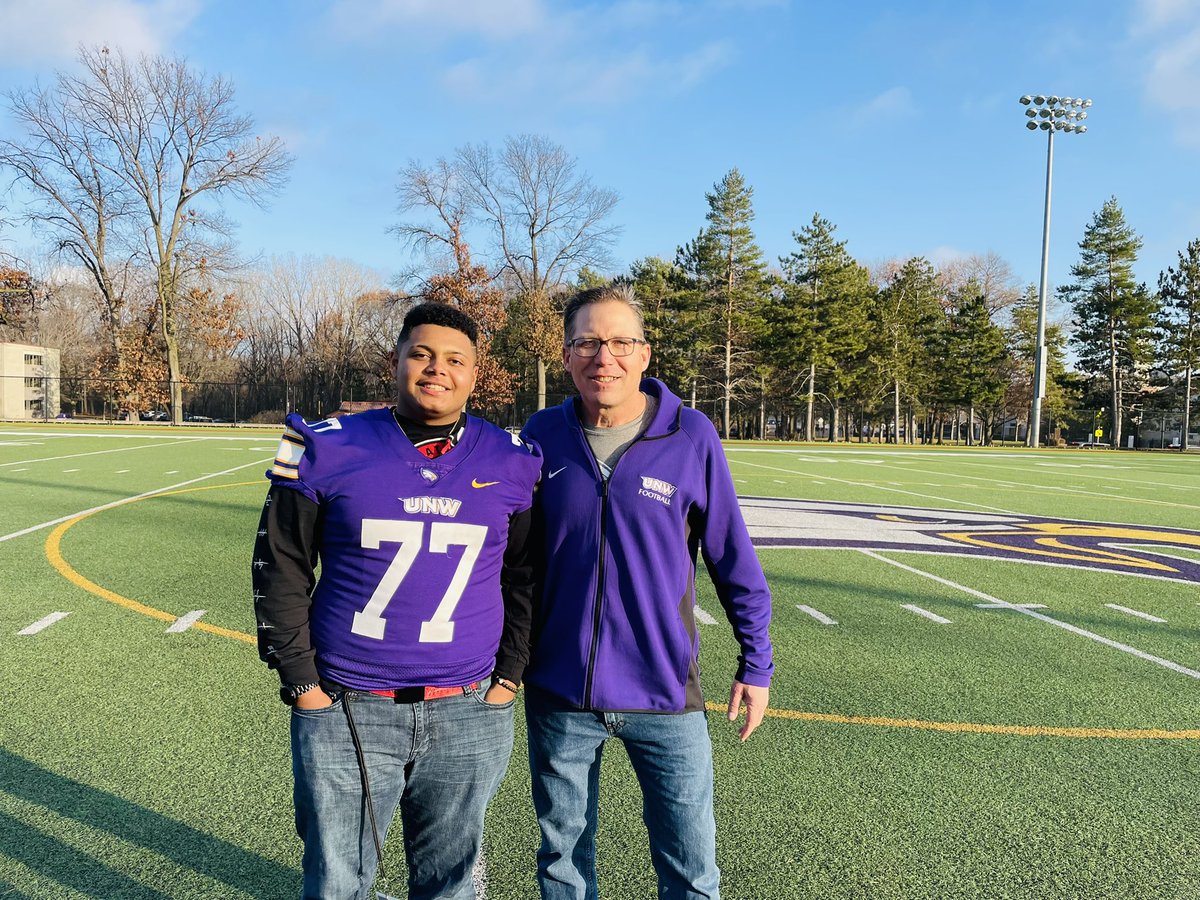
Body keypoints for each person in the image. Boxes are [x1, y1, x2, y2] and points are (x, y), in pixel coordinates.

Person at [252, 302, 541, 900]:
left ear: (476, 373)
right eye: (422, 354)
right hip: (347, 704)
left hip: (469, 708)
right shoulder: (321, 444)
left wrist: (509, 676)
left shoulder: (513, 458)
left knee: (452, 884)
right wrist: (302, 682)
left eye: (455, 359)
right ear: (396, 361)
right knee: (337, 883)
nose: (437, 369)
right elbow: (279, 566)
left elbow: (527, 577)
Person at [520, 284, 774, 900]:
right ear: (566, 355)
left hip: (665, 690)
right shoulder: (541, 434)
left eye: (618, 342)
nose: (602, 357)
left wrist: (756, 661)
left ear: (644, 354)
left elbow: (731, 555)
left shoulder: (690, 436)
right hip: (560, 691)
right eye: (586, 342)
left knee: (690, 866)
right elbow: (514, 562)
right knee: (562, 861)